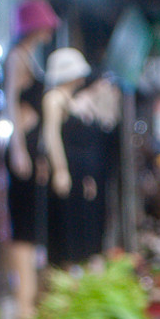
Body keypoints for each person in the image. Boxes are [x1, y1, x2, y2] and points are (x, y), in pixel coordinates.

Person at [2, 0, 57, 319]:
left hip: (34, 148)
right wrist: (19, 149)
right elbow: (9, 103)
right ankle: (23, 302)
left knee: (33, 223)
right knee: (22, 226)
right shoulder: (16, 58)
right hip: (22, 146)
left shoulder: (31, 58)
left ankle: (31, 298)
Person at [40, 48, 115, 265]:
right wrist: (61, 170)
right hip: (68, 173)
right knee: (65, 231)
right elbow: (51, 135)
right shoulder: (54, 99)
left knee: (83, 228)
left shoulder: (74, 100)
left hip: (82, 176)